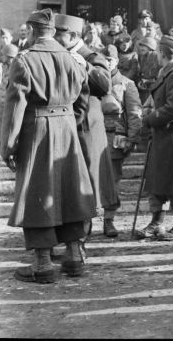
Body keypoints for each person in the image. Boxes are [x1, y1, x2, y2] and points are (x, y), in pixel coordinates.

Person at [0, 8, 96, 283]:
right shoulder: (74, 59)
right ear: (53, 31)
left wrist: (8, 147)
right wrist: (69, 123)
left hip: (37, 130)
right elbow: (82, 100)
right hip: (67, 130)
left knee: (37, 191)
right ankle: (74, 255)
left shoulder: (24, 61)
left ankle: (42, 263)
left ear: (31, 30)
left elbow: (15, 107)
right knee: (70, 190)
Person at [54, 14, 118, 234]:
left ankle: (100, 220)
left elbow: (105, 86)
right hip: (67, 122)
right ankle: (79, 222)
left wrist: (87, 67)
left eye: (59, 34)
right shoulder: (58, 53)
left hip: (88, 125)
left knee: (94, 173)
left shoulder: (91, 55)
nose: (55, 38)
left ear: (73, 36)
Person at [134, 35, 173, 241]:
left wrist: (149, 119)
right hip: (164, 134)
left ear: (162, 53)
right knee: (159, 179)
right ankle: (156, 222)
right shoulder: (167, 72)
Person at [100, 45, 142, 237]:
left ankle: (109, 219)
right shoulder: (92, 80)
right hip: (94, 134)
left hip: (115, 136)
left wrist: (132, 138)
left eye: (110, 59)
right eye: (104, 59)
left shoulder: (126, 83)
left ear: (117, 61)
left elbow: (134, 113)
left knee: (112, 180)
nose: (107, 62)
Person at [136, 37, 160, 104]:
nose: (141, 48)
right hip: (143, 88)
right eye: (141, 46)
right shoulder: (141, 56)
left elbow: (159, 76)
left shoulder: (156, 57)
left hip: (153, 89)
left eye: (144, 46)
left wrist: (149, 80)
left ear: (151, 47)